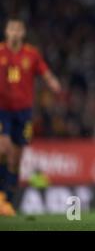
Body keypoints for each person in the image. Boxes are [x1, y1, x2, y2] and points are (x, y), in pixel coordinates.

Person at [0, 18, 61, 216]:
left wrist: (52, 82)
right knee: (4, 147)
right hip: (3, 110)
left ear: (23, 32)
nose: (15, 33)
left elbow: (44, 72)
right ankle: (1, 195)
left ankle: (8, 199)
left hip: (24, 112)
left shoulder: (31, 54)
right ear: (6, 32)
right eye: (12, 29)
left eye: (18, 29)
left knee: (16, 158)